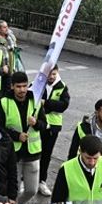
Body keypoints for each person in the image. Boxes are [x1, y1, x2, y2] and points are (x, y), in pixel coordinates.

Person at [0, 71, 42, 204]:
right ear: (12, 86)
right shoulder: (4, 102)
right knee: (12, 190)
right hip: (13, 153)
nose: (22, 90)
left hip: (32, 152)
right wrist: (17, 136)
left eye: (24, 86)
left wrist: (36, 123)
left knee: (32, 190)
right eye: (18, 86)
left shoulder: (36, 101)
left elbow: (45, 125)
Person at [37, 66, 71, 196]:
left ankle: (42, 181)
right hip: (38, 124)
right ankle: (26, 180)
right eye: (49, 74)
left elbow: (63, 106)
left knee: (46, 154)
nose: (51, 77)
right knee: (32, 153)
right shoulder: (37, 83)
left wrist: (46, 103)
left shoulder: (62, 87)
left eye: (54, 74)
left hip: (52, 126)